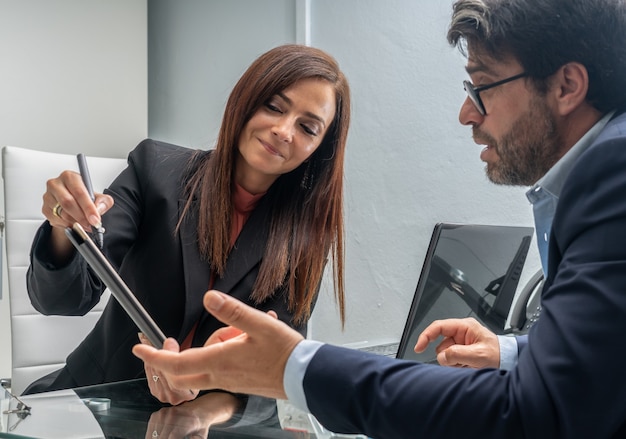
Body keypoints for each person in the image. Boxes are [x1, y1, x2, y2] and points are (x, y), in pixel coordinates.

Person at [133, 0, 626, 437]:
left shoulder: (612, 173)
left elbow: (543, 411)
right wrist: (517, 351)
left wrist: (293, 366)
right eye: (274, 107)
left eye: (482, 87)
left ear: (566, 86)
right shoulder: (157, 167)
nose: (466, 114)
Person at [25, 44, 351, 405]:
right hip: (94, 403)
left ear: (319, 149)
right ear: (245, 100)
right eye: (273, 106)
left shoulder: (305, 241)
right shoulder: (156, 170)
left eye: (307, 127)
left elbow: (272, 376)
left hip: (204, 425)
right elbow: (65, 300)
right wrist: (64, 228)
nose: (284, 131)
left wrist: (201, 412)